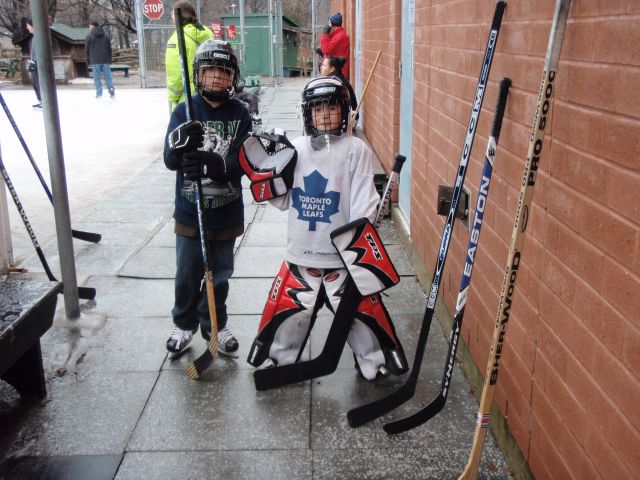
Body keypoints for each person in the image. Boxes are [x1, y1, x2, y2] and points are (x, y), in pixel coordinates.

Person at [243, 77, 408, 380]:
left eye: (332, 108)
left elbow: (363, 202)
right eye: (317, 109)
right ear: (307, 113)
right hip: (301, 252)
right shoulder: (295, 148)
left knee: (359, 314)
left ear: (344, 110)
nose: (325, 115)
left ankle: (374, 362)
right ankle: (280, 359)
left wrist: (358, 245)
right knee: (292, 312)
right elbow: (283, 200)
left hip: (341, 257)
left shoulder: (356, 150)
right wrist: (266, 179)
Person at [163, 39, 251, 358]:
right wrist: (180, 146)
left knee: (221, 274)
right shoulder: (184, 111)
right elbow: (170, 159)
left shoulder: (240, 113)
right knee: (187, 273)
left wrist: (220, 166)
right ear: (198, 74)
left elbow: (244, 160)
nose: (216, 77)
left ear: (233, 77)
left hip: (226, 212)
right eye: (210, 70)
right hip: (191, 211)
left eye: (223, 71)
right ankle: (184, 322)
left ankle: (214, 322)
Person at [165, 1, 214, 111]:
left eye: (172, 13)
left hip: (187, 98)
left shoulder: (177, 39)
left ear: (177, 15)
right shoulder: (208, 34)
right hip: (209, 94)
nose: (171, 16)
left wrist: (173, 97)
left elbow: (176, 74)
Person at [86, 20, 114, 99]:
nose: (89, 27)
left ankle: (99, 94)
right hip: (105, 59)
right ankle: (111, 90)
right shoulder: (105, 36)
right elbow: (109, 49)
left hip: (95, 60)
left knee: (97, 78)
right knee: (108, 77)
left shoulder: (89, 36)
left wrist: (88, 59)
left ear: (93, 26)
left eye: (90, 25)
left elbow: (87, 49)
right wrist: (109, 59)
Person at [319, 13, 351, 82]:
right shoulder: (336, 35)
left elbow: (326, 49)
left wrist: (325, 34)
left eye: (329, 23)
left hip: (337, 73)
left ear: (332, 25)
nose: (328, 26)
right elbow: (331, 51)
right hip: (333, 71)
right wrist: (322, 54)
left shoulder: (340, 36)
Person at [24, 19, 41, 109]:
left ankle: (43, 100)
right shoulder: (35, 37)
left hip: (38, 64)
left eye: (28, 26)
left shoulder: (38, 37)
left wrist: (34, 61)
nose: (27, 28)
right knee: (35, 83)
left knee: (39, 82)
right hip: (35, 63)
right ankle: (41, 100)